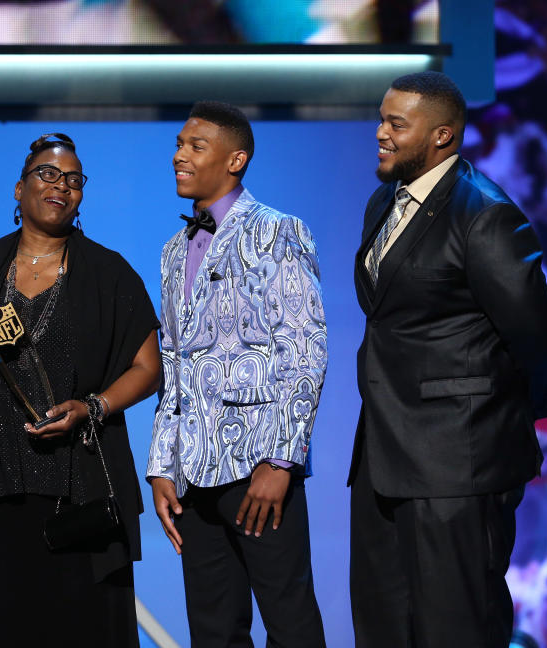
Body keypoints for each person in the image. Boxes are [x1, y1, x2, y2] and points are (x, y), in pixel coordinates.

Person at [0, 133, 161, 647]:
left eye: (73, 179)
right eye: (47, 174)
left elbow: (148, 368)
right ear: (18, 190)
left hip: (78, 491)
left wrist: (92, 407)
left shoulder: (110, 274)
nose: (61, 185)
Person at [348, 70, 547, 647]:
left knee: (456, 631)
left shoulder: (484, 214)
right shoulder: (383, 202)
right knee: (383, 626)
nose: (381, 133)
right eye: (381, 119)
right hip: (382, 456)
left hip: (456, 464)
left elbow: (539, 339)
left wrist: (497, 416)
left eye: (397, 123)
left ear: (442, 136)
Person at [148, 100, 328, 646]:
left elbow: (306, 348)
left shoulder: (277, 232)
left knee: (289, 621)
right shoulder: (174, 251)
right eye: (179, 144)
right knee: (213, 629)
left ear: (235, 160)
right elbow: (173, 362)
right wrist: (161, 463)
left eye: (195, 146)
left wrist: (281, 461)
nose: (179, 155)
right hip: (192, 477)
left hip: (258, 469)